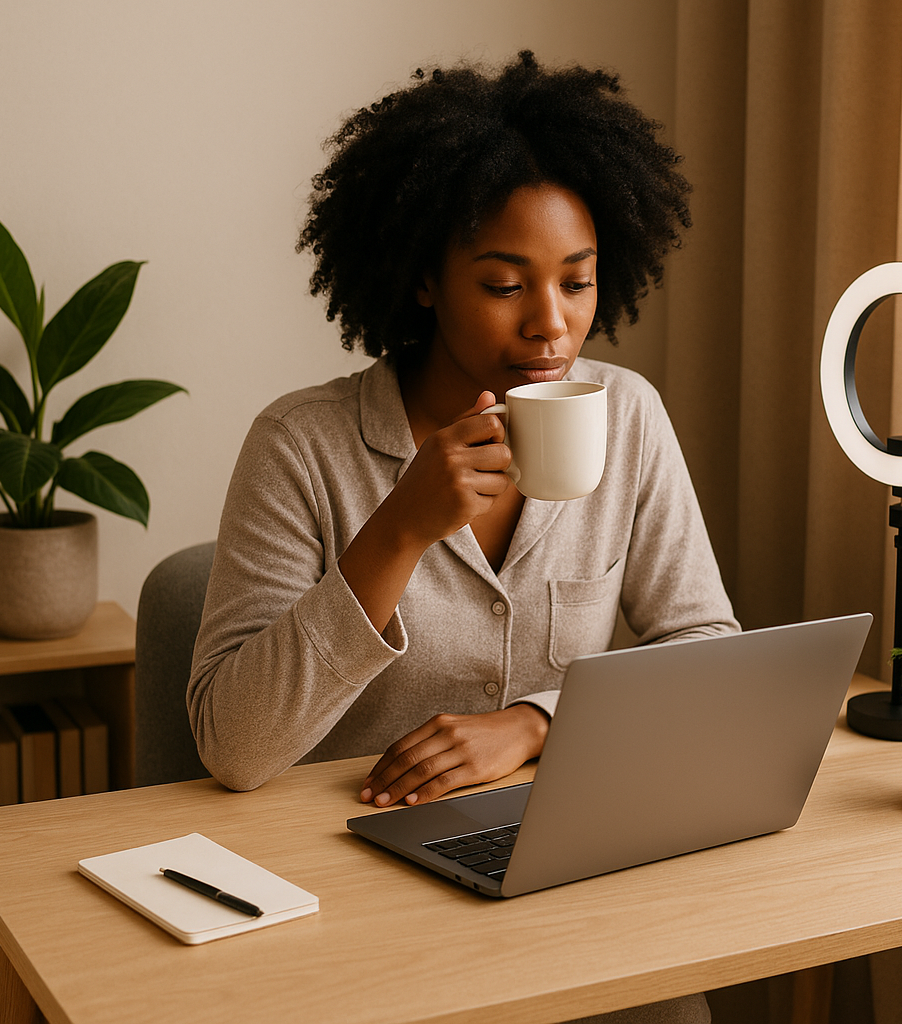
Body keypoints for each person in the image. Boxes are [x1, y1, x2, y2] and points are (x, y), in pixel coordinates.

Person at [188, 51, 737, 1024]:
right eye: (503, 284)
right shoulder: (301, 446)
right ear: (425, 280)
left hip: (558, 869)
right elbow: (234, 746)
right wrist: (398, 529)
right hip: (343, 891)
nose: (551, 325)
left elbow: (709, 653)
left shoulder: (628, 416)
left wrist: (538, 722)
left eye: (577, 282)